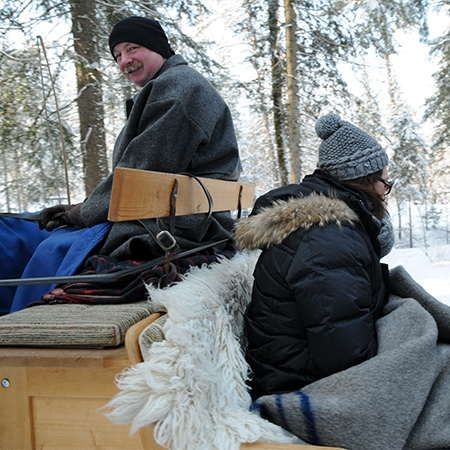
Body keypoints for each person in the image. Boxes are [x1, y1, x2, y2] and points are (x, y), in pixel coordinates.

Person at [1, 16, 241, 314]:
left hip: (172, 224)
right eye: (117, 55)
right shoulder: (173, 86)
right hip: (170, 212)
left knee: (36, 244)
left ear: (159, 48)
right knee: (19, 228)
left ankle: (19, 325)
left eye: (133, 48)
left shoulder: (177, 90)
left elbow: (143, 172)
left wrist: (81, 212)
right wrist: (81, 209)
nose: (125, 60)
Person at [234, 112, 394, 401]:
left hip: (294, 372)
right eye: (384, 183)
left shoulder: (330, 231)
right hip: (296, 388)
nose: (386, 194)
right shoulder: (328, 241)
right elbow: (346, 361)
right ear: (365, 181)